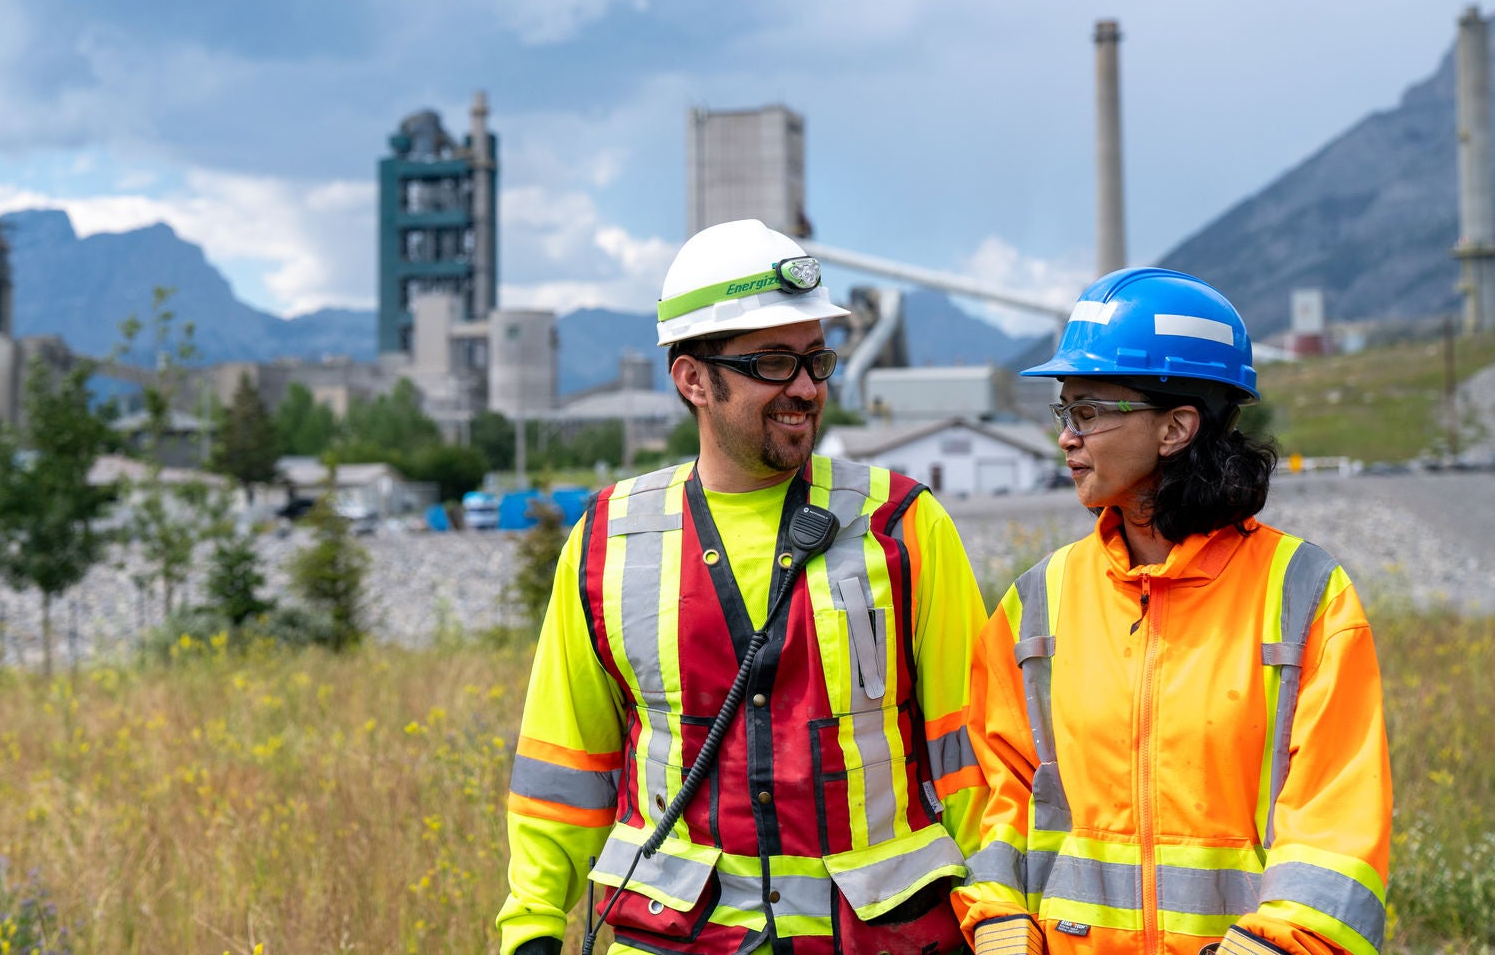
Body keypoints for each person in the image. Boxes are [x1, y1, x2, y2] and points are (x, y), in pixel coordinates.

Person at [496, 219, 988, 955]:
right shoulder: (609, 541)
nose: (804, 388)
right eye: (772, 362)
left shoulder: (905, 527)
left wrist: (1002, 916)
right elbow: (564, 769)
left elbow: (975, 760)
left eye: (817, 360)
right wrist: (532, 926)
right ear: (693, 378)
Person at [953, 268, 1390, 955]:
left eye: (1089, 411)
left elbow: (1337, 829)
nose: (1066, 436)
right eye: (1064, 411)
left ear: (1177, 427)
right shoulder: (1039, 601)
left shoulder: (1306, 597)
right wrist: (999, 917)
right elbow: (990, 790)